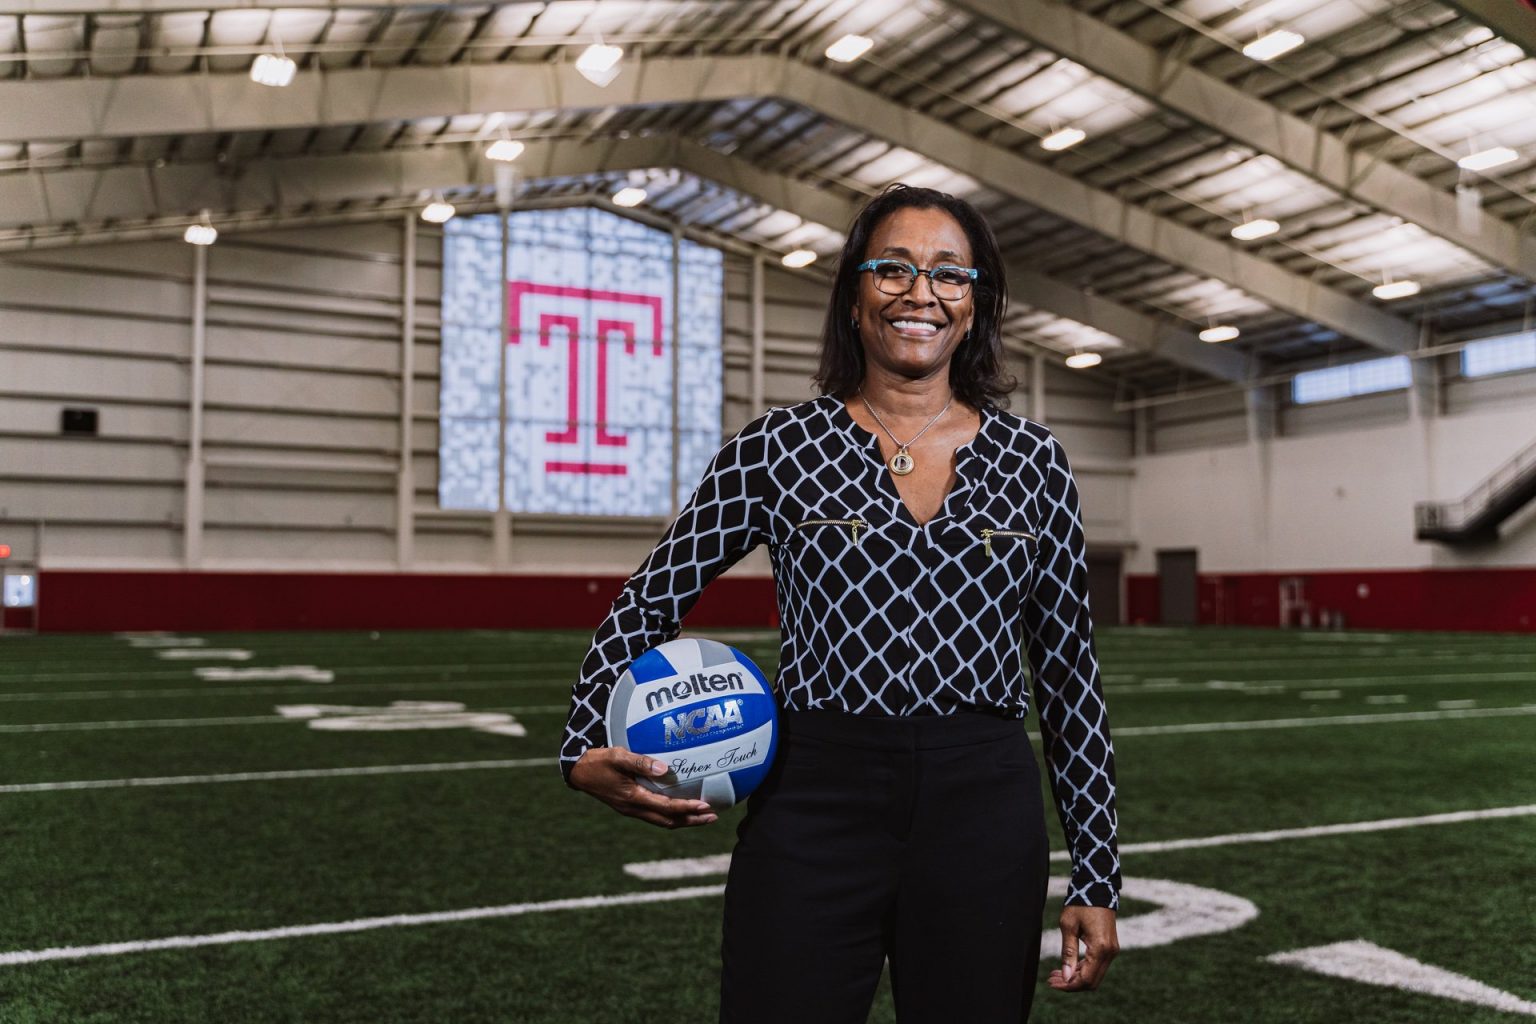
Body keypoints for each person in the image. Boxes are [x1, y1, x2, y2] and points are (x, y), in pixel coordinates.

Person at [561, 183, 1121, 1022]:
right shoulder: (777, 448)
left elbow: (1070, 676)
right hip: (813, 801)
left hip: (982, 807)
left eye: (949, 274)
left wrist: (1097, 873)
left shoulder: (1035, 462)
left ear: (975, 304)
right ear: (855, 296)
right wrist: (581, 742)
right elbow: (650, 600)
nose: (920, 293)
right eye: (893, 268)